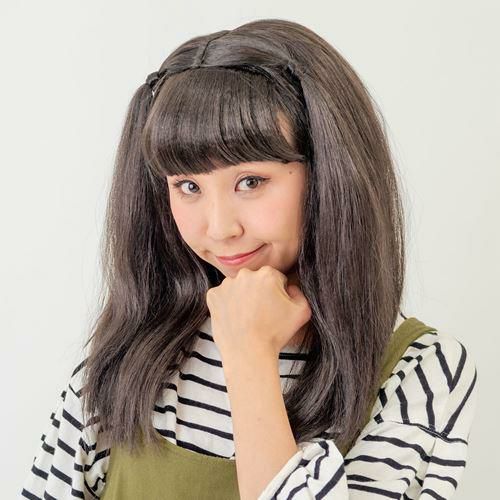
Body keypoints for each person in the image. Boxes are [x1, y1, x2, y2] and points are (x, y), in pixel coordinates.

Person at [21, 18, 478, 499]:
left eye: (250, 182)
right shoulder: (132, 351)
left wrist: (250, 358)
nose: (220, 228)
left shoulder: (420, 371)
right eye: (188, 186)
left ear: (330, 174)